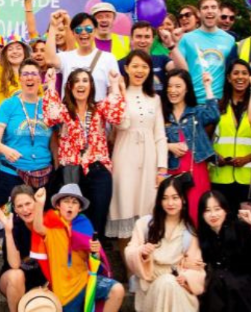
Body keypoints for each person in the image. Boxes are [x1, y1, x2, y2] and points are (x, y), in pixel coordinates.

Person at [43, 68, 124, 235]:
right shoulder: (64, 111)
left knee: (98, 217)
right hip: (72, 171)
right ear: (70, 87)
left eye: (85, 80)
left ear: (91, 86)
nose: (81, 84)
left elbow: (116, 115)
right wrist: (51, 85)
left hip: (98, 169)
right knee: (73, 219)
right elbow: (50, 116)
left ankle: (94, 258)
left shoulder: (99, 108)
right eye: (77, 81)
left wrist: (114, 85)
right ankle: (73, 258)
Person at [107, 51, 168, 256]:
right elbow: (120, 124)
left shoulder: (155, 98)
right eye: (135, 66)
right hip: (125, 157)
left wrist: (162, 168)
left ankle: (144, 263)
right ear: (126, 68)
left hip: (149, 159)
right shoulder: (117, 95)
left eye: (144, 66)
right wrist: (119, 92)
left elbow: (159, 134)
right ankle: (129, 268)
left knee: (147, 210)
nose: (139, 70)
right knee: (124, 207)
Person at [0, 59, 54, 254]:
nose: (29, 78)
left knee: (38, 222)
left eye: (33, 74)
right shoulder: (8, 105)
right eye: (25, 74)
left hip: (43, 173)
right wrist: (5, 149)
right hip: (12, 172)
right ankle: (5, 244)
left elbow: (56, 141)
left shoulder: (48, 105)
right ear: (19, 79)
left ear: (40, 79)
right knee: (10, 217)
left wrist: (58, 166)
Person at [32, 185, 124, 312]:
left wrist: (95, 252)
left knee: (117, 290)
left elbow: (94, 260)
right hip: (64, 291)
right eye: (66, 201)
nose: (70, 206)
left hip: (85, 281)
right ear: (58, 205)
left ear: (79, 208)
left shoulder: (84, 225)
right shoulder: (52, 225)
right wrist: (39, 203)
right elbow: (37, 228)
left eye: (74, 203)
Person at [125, 178, 205, 312]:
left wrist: (186, 277)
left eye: (175, 198)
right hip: (150, 287)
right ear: (159, 201)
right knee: (166, 283)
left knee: (168, 282)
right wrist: (141, 252)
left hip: (178, 287)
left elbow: (196, 266)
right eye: (165, 198)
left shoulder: (189, 232)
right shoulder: (145, 224)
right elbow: (130, 251)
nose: (170, 203)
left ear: (183, 199)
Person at [163, 69, 220, 226]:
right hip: (172, 171)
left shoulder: (196, 111)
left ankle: (196, 249)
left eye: (178, 86)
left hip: (196, 170)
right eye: (170, 86)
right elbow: (153, 141)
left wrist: (208, 86)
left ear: (187, 88)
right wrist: (169, 146)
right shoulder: (161, 114)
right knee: (174, 215)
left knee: (196, 213)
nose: (173, 90)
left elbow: (214, 114)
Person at [0, 185, 47, 312]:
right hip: (14, 280)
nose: (25, 209)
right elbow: (14, 264)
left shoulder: (47, 223)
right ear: (15, 210)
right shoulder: (14, 226)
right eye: (20, 206)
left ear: (36, 202)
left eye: (28, 203)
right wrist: (8, 231)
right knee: (16, 275)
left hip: (42, 282)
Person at [197, 190, 251, 312]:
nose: (213, 214)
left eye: (217, 209)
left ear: (225, 210)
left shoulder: (241, 228)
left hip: (242, 286)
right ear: (201, 214)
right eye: (207, 210)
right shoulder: (201, 236)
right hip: (218, 288)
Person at [178, 0, 238, 103]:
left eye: (213, 7)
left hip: (220, 103)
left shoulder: (230, 40)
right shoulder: (186, 39)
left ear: (219, 12)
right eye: (205, 8)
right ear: (199, 14)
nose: (209, 11)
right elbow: (178, 70)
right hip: (193, 102)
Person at [47, 12, 119, 101]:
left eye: (88, 29)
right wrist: (53, 26)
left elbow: (113, 91)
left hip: (97, 113)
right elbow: (50, 60)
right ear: (73, 33)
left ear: (95, 31)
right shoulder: (66, 57)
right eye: (78, 30)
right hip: (70, 114)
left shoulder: (108, 58)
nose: (84, 33)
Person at [209, 59, 251, 211]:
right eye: (236, 73)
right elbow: (204, 141)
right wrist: (215, 156)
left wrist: (247, 159)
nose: (240, 77)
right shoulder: (218, 106)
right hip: (220, 177)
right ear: (228, 77)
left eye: (245, 73)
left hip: (247, 180)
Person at [118, 21, 187, 96]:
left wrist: (170, 44)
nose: (143, 41)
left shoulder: (161, 60)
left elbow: (183, 72)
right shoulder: (121, 64)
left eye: (147, 37)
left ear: (152, 39)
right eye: (139, 36)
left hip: (159, 106)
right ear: (131, 38)